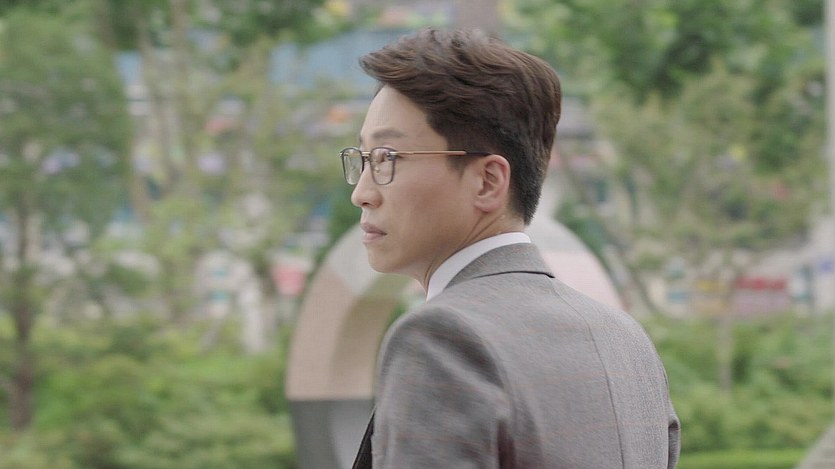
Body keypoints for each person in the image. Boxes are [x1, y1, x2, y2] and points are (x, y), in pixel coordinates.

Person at [342, 27, 680, 468]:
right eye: (363, 159)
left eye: (388, 158)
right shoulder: (625, 339)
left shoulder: (442, 337)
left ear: (487, 181)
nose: (362, 193)